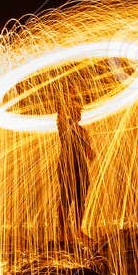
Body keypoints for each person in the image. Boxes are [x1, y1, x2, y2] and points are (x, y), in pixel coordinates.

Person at [56, 88, 95, 248]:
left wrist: (90, 152)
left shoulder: (82, 130)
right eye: (76, 110)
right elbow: (59, 115)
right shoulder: (64, 125)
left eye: (79, 111)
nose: (79, 113)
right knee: (67, 198)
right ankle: (63, 230)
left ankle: (78, 229)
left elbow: (89, 152)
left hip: (81, 167)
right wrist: (66, 96)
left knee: (81, 199)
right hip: (67, 166)